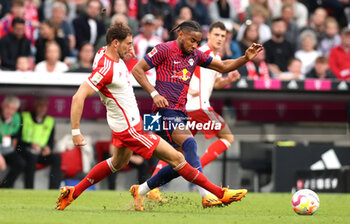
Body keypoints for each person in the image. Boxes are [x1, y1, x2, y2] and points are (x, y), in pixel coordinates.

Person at [55, 23, 247, 211]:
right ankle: (216, 193)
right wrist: (75, 131)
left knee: (117, 163)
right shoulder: (107, 69)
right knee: (179, 158)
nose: (131, 49)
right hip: (134, 129)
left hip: (129, 124)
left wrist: (246, 57)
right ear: (115, 43)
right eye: (128, 44)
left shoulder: (105, 55)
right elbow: (78, 95)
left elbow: (221, 68)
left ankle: (74, 192)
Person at [131, 20, 262, 208]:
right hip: (162, 111)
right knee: (191, 143)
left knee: (180, 164)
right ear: (181, 34)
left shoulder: (195, 55)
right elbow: (137, 69)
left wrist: (245, 58)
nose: (194, 45)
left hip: (179, 112)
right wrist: (154, 93)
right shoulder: (164, 49)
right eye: (192, 40)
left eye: (197, 42)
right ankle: (211, 194)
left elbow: (223, 66)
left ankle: (141, 190)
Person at [148, 21, 241, 207]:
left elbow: (214, 84)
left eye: (223, 36)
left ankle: (153, 187)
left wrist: (227, 81)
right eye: (216, 34)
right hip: (197, 107)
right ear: (209, 35)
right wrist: (187, 88)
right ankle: (200, 174)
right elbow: (183, 69)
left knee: (178, 152)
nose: (220, 39)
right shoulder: (200, 51)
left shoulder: (213, 55)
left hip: (187, 109)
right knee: (227, 136)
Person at [17, 96, 62, 189]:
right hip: (25, 150)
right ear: (35, 105)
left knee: (57, 158)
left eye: (45, 105)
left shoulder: (50, 120)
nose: (42, 108)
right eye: (40, 105)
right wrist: (30, 145)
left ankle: (53, 190)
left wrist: (48, 148)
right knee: (32, 157)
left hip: (41, 153)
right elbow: (17, 139)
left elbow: (51, 141)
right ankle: (29, 189)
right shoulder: (24, 117)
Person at [0, 95, 26, 188]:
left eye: (13, 109)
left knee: (20, 162)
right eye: (8, 107)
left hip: (7, 148)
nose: (10, 111)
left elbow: (16, 137)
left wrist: (13, 152)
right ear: (3, 106)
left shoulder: (17, 118)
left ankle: (5, 187)